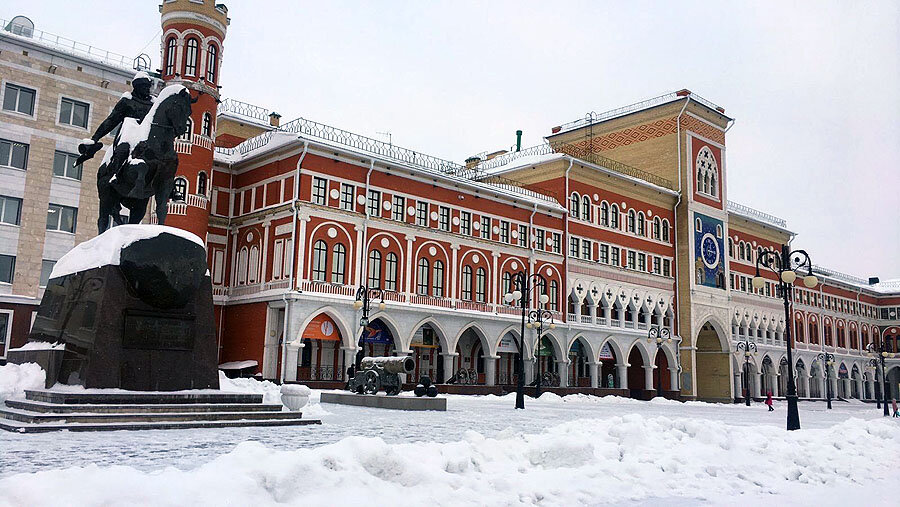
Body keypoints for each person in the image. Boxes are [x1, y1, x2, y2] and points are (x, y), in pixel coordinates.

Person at [75, 71, 155, 166]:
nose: (147, 89)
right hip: (128, 136)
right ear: (137, 87)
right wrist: (95, 138)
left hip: (147, 138)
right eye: (144, 86)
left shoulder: (153, 104)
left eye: (148, 86)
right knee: (123, 151)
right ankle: (114, 175)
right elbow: (111, 121)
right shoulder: (127, 101)